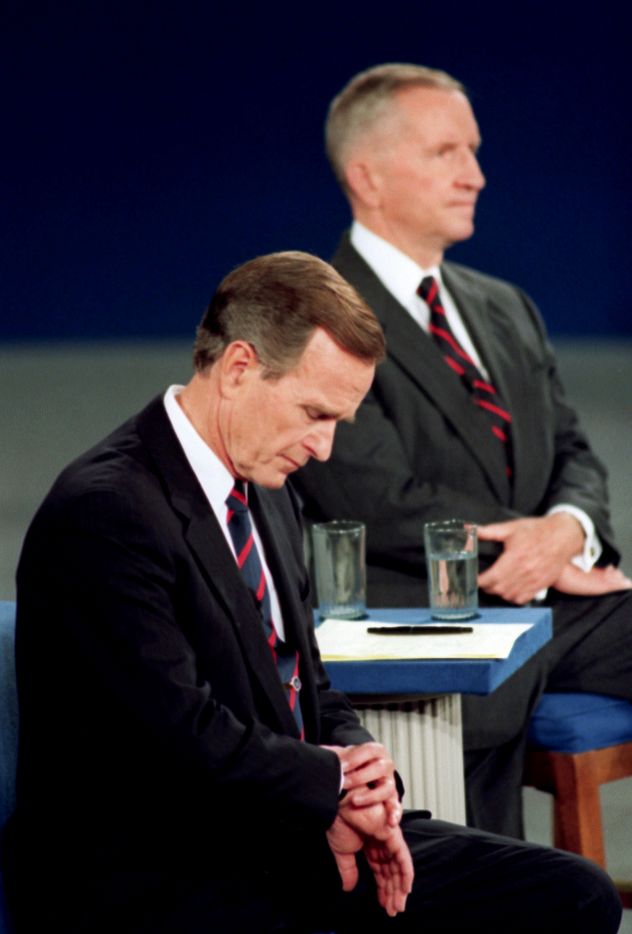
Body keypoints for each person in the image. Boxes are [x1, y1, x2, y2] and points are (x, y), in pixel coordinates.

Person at [4, 251, 621, 932]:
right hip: (159, 872)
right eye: (314, 413)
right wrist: (330, 789)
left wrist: (365, 778)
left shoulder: (267, 491)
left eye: (338, 423)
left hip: (280, 835)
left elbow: (310, 685)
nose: (324, 449)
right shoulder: (107, 512)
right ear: (238, 368)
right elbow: (177, 736)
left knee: (570, 894)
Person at [292, 63, 632, 836]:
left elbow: (575, 449)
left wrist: (568, 530)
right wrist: (535, 544)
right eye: (447, 152)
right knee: (486, 883)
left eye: (474, 151)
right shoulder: (316, 315)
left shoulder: (504, 306)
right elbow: (375, 497)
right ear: (368, 177)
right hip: (424, 619)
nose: (476, 175)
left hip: (550, 609)